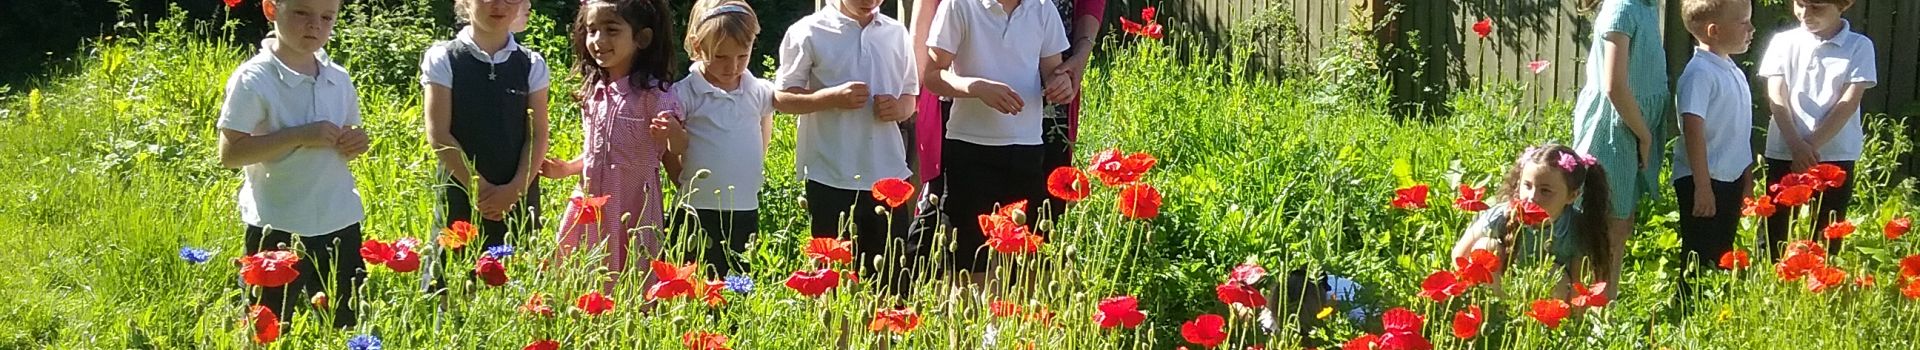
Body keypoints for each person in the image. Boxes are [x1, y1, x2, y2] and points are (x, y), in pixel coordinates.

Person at [217, 0, 368, 328]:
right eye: (302, 12)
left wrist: (357, 141)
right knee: (267, 326)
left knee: (345, 323)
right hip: (277, 222)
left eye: (327, 17)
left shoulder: (337, 78)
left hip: (338, 219)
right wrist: (299, 135)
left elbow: (350, 133)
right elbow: (231, 153)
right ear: (271, 9)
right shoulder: (254, 78)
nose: (315, 25)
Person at [922, 0, 1074, 284]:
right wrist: (975, 87)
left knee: (1025, 260)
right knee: (968, 259)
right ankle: (971, 327)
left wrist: (1061, 83)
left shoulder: (1042, 8)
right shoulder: (959, 6)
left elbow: (1053, 71)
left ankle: (1016, 326)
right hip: (969, 148)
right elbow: (932, 75)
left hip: (1027, 148)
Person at [540, 0, 682, 290]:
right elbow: (596, 153)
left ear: (641, 38)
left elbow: (677, 147)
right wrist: (568, 168)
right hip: (590, 201)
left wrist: (673, 132)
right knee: (580, 273)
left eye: (611, 30)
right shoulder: (595, 91)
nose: (598, 40)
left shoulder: (652, 94)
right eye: (592, 31)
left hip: (633, 202)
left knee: (632, 274)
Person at [419, 0, 550, 292]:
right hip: (461, 191)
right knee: (453, 287)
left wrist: (515, 189)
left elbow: (538, 134)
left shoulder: (531, 63)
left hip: (517, 196)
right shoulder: (444, 57)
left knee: (515, 288)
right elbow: (439, 134)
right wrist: (478, 187)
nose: (500, 5)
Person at [1758, 0, 1876, 256]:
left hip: (1834, 154)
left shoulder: (1859, 46)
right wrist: (1796, 145)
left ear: (1843, 5)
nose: (1805, 14)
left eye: (1817, 7)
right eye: (1800, 4)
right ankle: (1768, 282)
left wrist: (1810, 145)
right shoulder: (1782, 42)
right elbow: (1776, 96)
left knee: (1827, 231)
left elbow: (1848, 102)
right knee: (1774, 228)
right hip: (1784, 149)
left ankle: (1819, 287)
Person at [668, 0, 775, 278]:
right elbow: (666, 146)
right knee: (692, 276)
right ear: (697, 46)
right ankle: (692, 320)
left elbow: (763, 136)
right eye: (721, 57)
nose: (733, 66)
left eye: (742, 55)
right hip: (696, 207)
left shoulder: (758, 90)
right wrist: (680, 177)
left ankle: (733, 322)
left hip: (743, 205)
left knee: (738, 276)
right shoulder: (685, 93)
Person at [1570, 0, 1669, 297]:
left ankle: (1604, 306)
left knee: (1620, 224)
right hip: (1613, 129)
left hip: (1632, 126)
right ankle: (1585, 308)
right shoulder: (1622, 9)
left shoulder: (1646, 8)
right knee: (1602, 225)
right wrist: (1644, 135)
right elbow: (1614, 86)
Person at [1451, 145, 1614, 298]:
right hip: (1503, 286)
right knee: (1486, 247)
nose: (1532, 197)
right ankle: (1496, 316)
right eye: (1527, 186)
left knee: (1553, 273)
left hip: (1546, 300)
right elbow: (1460, 256)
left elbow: (1578, 291)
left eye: (1545, 191)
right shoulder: (1502, 214)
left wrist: (1573, 324)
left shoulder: (1576, 229)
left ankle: (1541, 327)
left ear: (1572, 196)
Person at [1673, 0, 1755, 269]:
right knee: (1700, 254)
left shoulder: (1732, 70)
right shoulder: (1700, 73)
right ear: (1714, 31)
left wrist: (1746, 175)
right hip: (1703, 180)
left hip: (1728, 178)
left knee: (1722, 253)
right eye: (1743, 22)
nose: (1751, 28)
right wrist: (1703, 186)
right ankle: (1688, 306)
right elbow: (1693, 130)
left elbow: (1737, 132)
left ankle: (1709, 306)